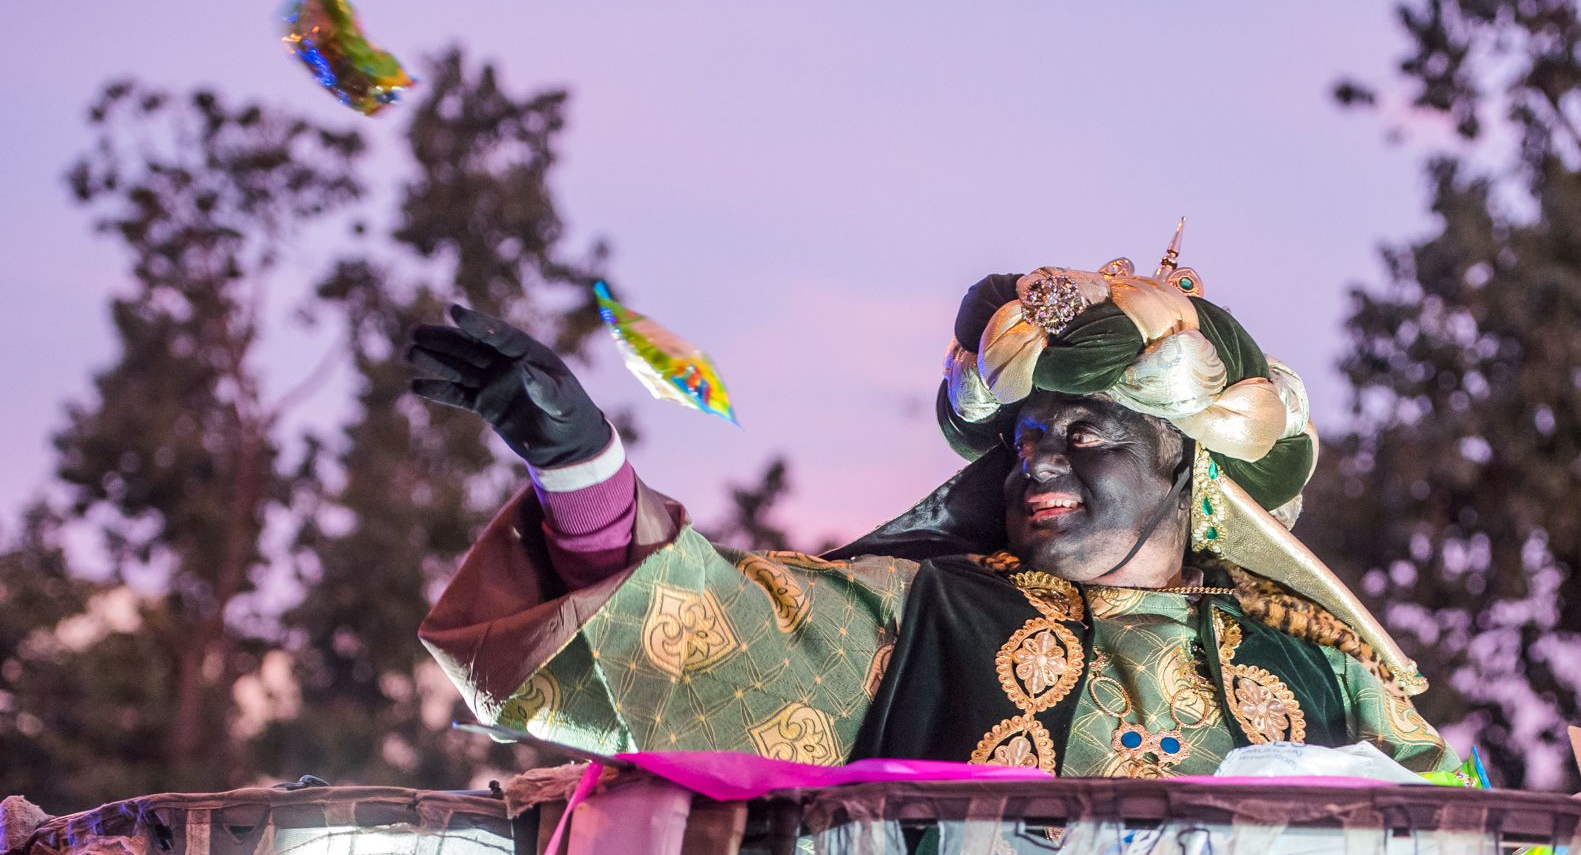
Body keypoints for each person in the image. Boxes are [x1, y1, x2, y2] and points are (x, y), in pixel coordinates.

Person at [411, 239, 1464, 778]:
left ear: (1189, 469)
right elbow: (696, 628)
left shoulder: (1321, 666)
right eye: (1023, 442)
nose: (1038, 468)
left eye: (1086, 438)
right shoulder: (929, 620)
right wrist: (582, 464)